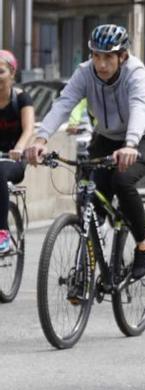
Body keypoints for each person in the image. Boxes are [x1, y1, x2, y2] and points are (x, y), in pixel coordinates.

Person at [24, 25, 145, 280]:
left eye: (108, 57)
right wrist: (41, 138)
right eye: (96, 56)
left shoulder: (136, 73)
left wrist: (131, 144)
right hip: (107, 137)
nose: (101, 64)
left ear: (123, 56)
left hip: (143, 136)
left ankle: (144, 244)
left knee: (122, 181)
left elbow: (139, 107)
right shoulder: (85, 73)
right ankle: (92, 256)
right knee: (87, 191)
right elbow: (64, 103)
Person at [0, 50, 33, 255]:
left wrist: (20, 148)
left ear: (12, 73)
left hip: (13, 158)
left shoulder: (21, 98)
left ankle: (2, 233)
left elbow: (29, 128)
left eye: (1, 71)